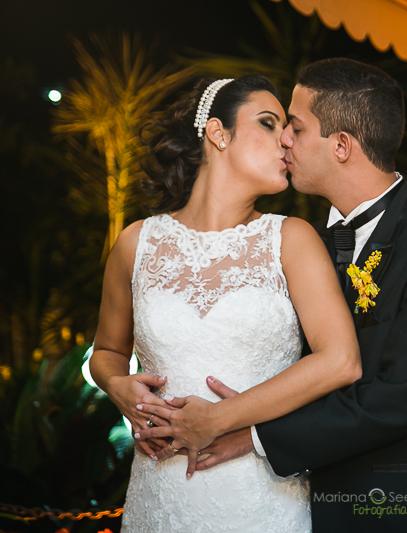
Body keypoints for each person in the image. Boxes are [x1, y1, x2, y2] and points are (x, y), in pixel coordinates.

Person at [136, 58, 407, 533]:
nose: (284, 139)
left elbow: (399, 398)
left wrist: (252, 435)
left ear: (342, 145)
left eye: (296, 128)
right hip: (302, 508)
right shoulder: (298, 246)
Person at [88, 74, 362, 533]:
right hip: (159, 494)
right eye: (269, 123)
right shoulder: (136, 243)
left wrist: (216, 419)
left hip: (260, 499)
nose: (287, 140)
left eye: (290, 129)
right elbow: (107, 354)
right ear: (218, 133)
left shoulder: (291, 238)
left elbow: (341, 361)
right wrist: (117, 387)